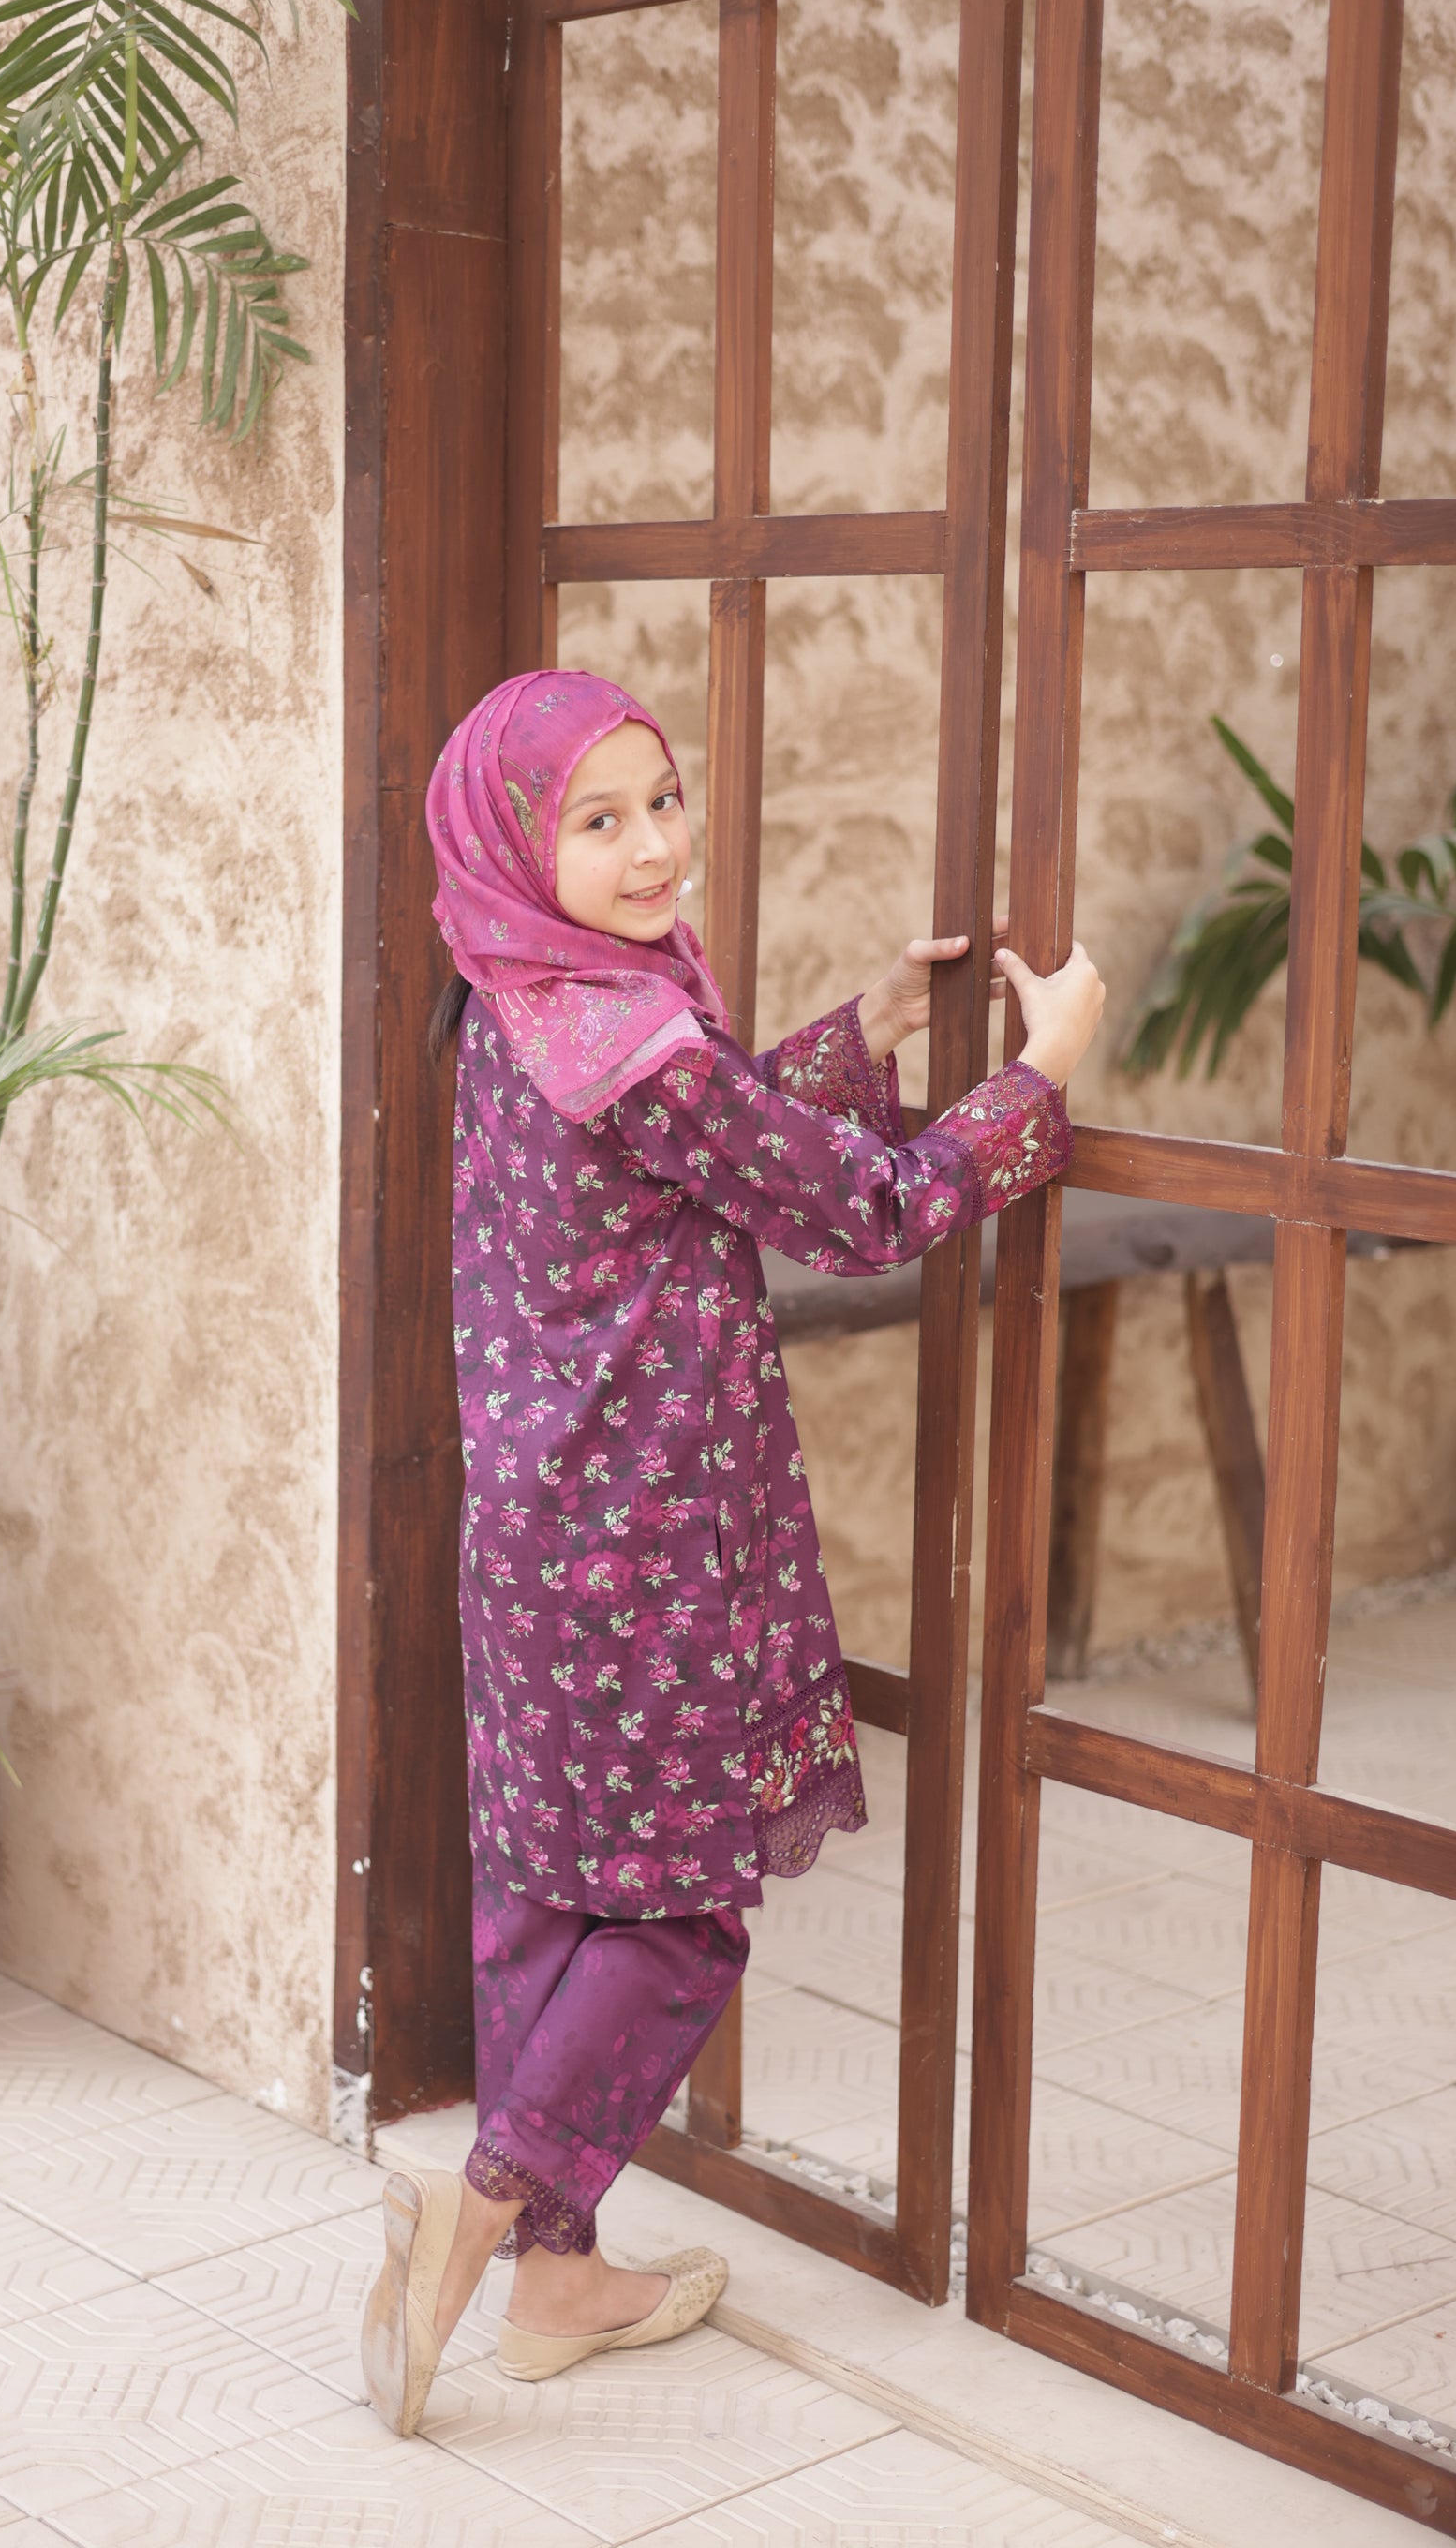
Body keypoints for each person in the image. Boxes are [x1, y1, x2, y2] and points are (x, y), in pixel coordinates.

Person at [361, 669, 1105, 2436]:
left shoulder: (521, 998)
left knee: (552, 1898)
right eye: (596, 820)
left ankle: (558, 2282)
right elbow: (858, 1208)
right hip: (653, 1552)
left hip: (536, 1542)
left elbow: (701, 1147)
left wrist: (867, 1028)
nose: (648, 848)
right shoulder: (630, 1037)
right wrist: (1040, 1072)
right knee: (680, 1919)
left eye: (661, 801)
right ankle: (481, 2221)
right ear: (517, 844)